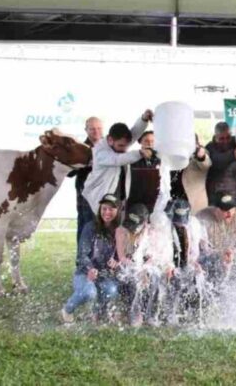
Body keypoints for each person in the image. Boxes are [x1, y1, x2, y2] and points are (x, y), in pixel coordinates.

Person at [61, 194, 122, 324]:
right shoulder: (90, 227)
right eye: (104, 208)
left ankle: (99, 312)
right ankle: (67, 309)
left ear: (118, 211)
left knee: (111, 290)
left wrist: (116, 261)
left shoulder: (120, 231)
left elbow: (122, 254)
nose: (107, 212)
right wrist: (90, 269)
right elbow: (81, 255)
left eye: (111, 209)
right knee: (89, 293)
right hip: (84, 273)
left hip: (105, 275)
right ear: (100, 209)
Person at [82, 110, 153, 214]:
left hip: (116, 198)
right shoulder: (99, 150)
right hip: (97, 199)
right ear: (110, 140)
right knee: (96, 229)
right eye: (121, 146)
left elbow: (134, 133)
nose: (124, 149)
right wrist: (140, 153)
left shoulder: (119, 142)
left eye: (126, 145)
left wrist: (143, 119)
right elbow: (117, 160)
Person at [113, 203, 168, 327]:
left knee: (154, 276)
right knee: (133, 276)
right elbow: (122, 257)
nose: (133, 229)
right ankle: (135, 312)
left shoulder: (150, 231)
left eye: (136, 225)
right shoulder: (121, 231)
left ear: (144, 222)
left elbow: (153, 256)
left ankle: (150, 313)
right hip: (127, 265)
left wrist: (144, 269)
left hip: (145, 266)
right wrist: (138, 269)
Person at [196, 191, 236, 284]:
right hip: (212, 259)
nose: (229, 213)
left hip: (234, 256)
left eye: (231, 208)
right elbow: (202, 250)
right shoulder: (202, 218)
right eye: (224, 210)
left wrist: (232, 252)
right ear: (215, 210)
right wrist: (220, 254)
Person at [166, 199, 206, 324]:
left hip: (187, 257)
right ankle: (168, 312)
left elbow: (194, 249)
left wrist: (194, 263)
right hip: (169, 258)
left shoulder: (194, 224)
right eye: (177, 222)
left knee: (196, 276)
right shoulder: (164, 224)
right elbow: (163, 249)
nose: (179, 225)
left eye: (182, 222)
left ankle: (194, 312)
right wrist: (168, 265)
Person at [68, 116, 103, 246]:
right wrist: (84, 163)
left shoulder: (110, 146)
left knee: (107, 226)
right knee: (86, 225)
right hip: (85, 194)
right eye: (92, 129)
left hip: (107, 193)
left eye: (99, 128)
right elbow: (69, 173)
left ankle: (104, 262)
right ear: (86, 130)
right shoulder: (79, 149)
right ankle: (82, 262)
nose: (96, 131)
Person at [205, 122, 236, 206]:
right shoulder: (210, 148)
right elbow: (217, 160)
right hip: (216, 197)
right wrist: (234, 155)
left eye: (228, 137)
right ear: (215, 137)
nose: (225, 141)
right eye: (221, 139)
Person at [128, 130, 161, 213]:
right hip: (135, 201)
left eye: (152, 141)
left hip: (156, 202)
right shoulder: (132, 159)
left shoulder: (161, 160)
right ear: (140, 142)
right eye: (146, 141)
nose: (149, 144)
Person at [180, 136, 212, 213]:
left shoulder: (201, 153)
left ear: (197, 143)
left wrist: (201, 157)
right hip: (177, 200)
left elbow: (206, 165)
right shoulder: (177, 153)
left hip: (195, 203)